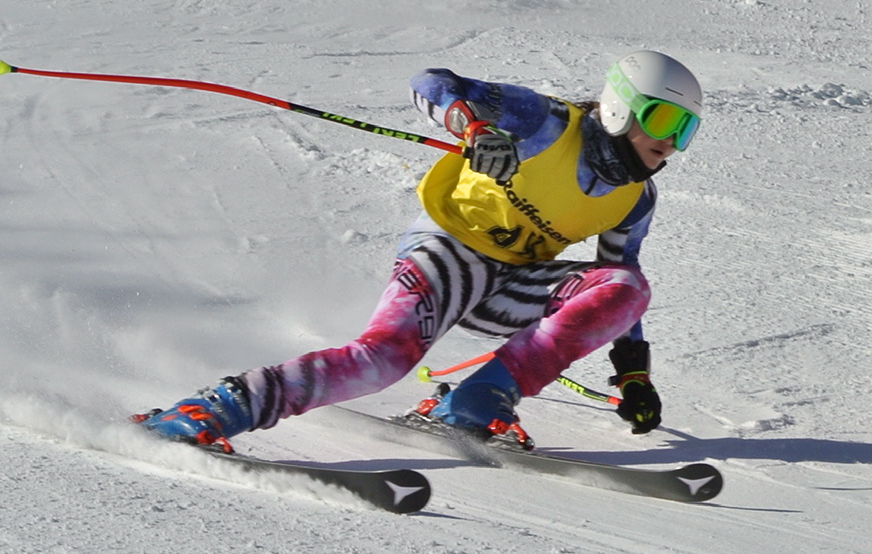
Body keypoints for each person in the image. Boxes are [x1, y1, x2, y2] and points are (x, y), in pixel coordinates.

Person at [134, 51, 703, 451]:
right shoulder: (546, 123)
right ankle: (215, 408)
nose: (671, 143)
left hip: (510, 286)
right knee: (383, 361)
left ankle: (478, 399)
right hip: (448, 255)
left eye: (686, 130)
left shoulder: (634, 200)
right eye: (663, 119)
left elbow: (617, 284)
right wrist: (475, 129)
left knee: (628, 286)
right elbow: (432, 83)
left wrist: (634, 375)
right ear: (620, 107)